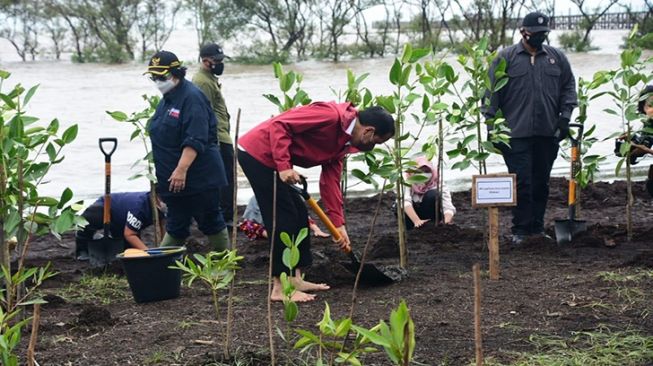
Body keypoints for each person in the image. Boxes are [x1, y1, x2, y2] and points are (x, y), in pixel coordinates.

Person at [238, 102, 394, 302]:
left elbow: (330, 182)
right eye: (376, 142)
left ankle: (296, 279)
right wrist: (284, 166)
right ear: (368, 131)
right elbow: (280, 125)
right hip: (256, 154)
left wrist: (339, 225)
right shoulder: (330, 116)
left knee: (300, 215)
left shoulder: (344, 142)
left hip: (275, 161)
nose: (371, 148)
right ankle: (280, 288)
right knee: (283, 219)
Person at [485, 11, 578, 245]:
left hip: (548, 132)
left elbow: (568, 88)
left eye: (543, 34)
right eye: (534, 33)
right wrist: (492, 128)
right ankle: (520, 230)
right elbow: (491, 95)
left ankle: (537, 228)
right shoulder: (505, 58)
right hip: (515, 134)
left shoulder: (557, 58)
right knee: (522, 182)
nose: (539, 37)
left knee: (541, 182)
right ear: (522, 32)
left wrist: (565, 118)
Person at [144, 50, 230, 250]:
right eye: (153, 77)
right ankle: (161, 265)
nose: (157, 81)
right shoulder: (167, 98)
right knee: (176, 224)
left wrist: (181, 170)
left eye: (161, 76)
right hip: (173, 180)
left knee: (210, 219)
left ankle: (224, 265)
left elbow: (195, 138)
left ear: (176, 73)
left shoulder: (192, 97)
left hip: (197, 176)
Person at [192, 44, 236, 226]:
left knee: (226, 177)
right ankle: (224, 219)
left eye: (221, 60)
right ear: (205, 60)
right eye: (216, 61)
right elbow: (204, 113)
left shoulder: (209, 78)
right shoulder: (202, 82)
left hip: (222, 135)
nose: (220, 64)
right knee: (224, 179)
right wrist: (212, 141)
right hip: (218, 138)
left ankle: (224, 216)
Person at [75, 191, 165, 260]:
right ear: (156, 198)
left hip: (123, 222)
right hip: (106, 207)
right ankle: (81, 250)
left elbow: (162, 226)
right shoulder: (139, 207)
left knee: (129, 250)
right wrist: (148, 253)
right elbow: (130, 234)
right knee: (93, 218)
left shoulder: (163, 207)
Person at [239, 196, 330, 240]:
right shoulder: (257, 197)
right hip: (263, 225)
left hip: (283, 224)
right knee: (248, 225)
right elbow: (249, 222)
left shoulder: (289, 194)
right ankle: (272, 236)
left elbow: (303, 216)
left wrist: (316, 229)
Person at [403, 156, 456, 229]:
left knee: (433, 194)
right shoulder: (407, 180)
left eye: (427, 171)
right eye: (420, 171)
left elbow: (448, 206)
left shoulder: (437, 181)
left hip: (430, 214)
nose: (424, 174)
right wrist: (417, 221)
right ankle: (410, 227)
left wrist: (446, 221)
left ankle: (431, 223)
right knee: (398, 205)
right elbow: (405, 202)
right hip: (411, 216)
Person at [623, 85, 653, 196]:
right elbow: (636, 155)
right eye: (650, 106)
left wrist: (646, 150)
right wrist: (629, 144)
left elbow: (645, 149)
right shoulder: (649, 126)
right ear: (643, 109)